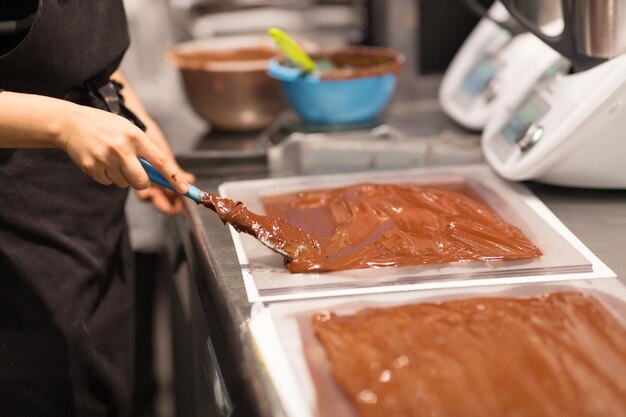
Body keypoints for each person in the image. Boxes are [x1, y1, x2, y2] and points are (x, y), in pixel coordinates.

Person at [0, 1, 192, 416]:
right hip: (17, 233)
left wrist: (132, 113)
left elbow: (78, 52)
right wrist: (63, 124)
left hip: (89, 225)